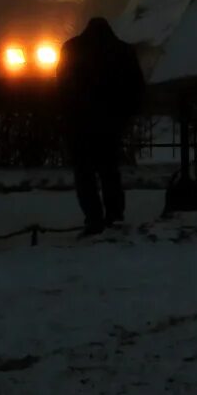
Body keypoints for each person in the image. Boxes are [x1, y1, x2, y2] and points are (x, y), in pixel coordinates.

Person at [58, 17, 146, 235]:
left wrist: (68, 115)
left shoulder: (71, 49)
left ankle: (93, 217)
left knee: (84, 174)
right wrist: (125, 116)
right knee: (109, 171)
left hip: (80, 123)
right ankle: (114, 215)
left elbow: (61, 86)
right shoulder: (122, 51)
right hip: (110, 123)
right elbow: (136, 87)